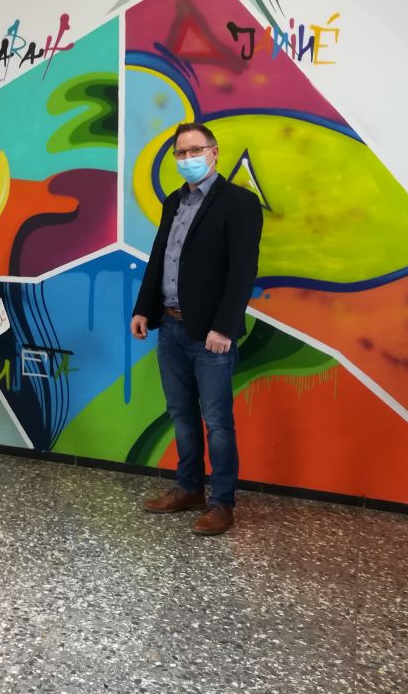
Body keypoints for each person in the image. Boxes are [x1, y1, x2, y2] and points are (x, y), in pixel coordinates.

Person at [130, 122, 262, 535]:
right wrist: (143, 310)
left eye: (194, 150)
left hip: (211, 336)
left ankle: (222, 503)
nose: (187, 159)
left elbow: (243, 271)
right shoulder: (174, 202)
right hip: (169, 328)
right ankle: (189, 488)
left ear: (214, 152)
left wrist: (224, 326)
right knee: (181, 415)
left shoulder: (239, 203)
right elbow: (160, 261)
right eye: (180, 153)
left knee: (218, 422)